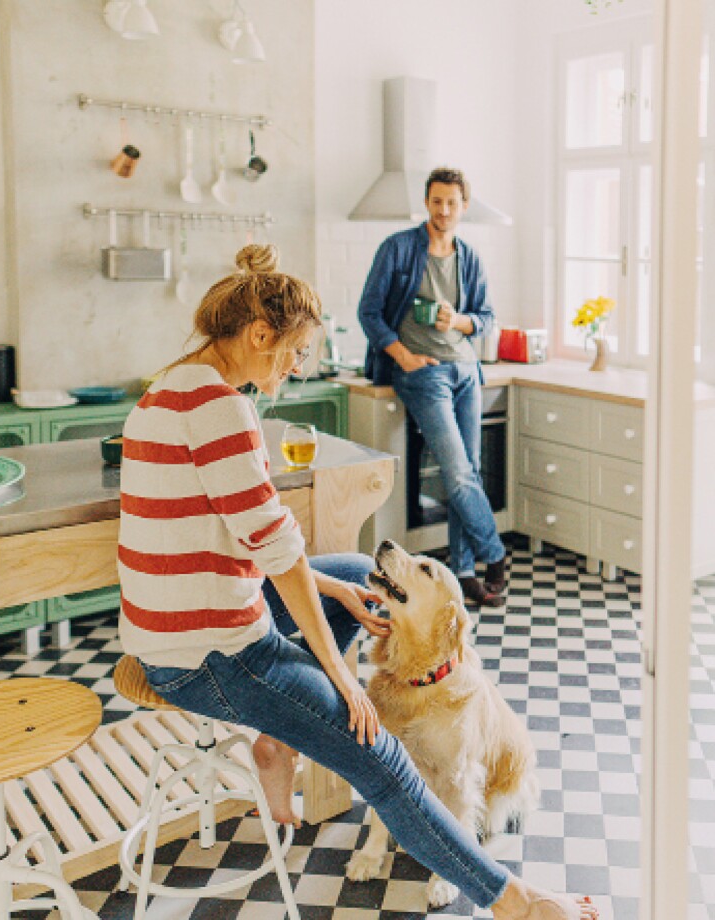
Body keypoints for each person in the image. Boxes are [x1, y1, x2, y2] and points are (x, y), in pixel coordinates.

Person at [116, 243, 598, 920]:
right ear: (259, 335)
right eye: (297, 351)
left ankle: (280, 732)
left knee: (350, 575)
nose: (300, 366)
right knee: (378, 748)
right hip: (209, 658)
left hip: (177, 628)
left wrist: (335, 592)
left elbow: (226, 544)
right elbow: (275, 552)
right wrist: (342, 682)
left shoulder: (169, 387)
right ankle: (512, 901)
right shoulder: (221, 410)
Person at [358, 166, 507, 608]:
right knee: (460, 472)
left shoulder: (470, 257)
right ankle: (494, 554)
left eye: (453, 202)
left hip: (466, 372)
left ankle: (462, 573)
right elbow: (369, 312)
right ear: (427, 202)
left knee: (468, 474)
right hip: (423, 374)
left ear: (464, 206)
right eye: (437, 201)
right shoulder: (399, 249)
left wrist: (457, 321)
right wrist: (402, 355)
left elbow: (484, 319)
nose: (444, 210)